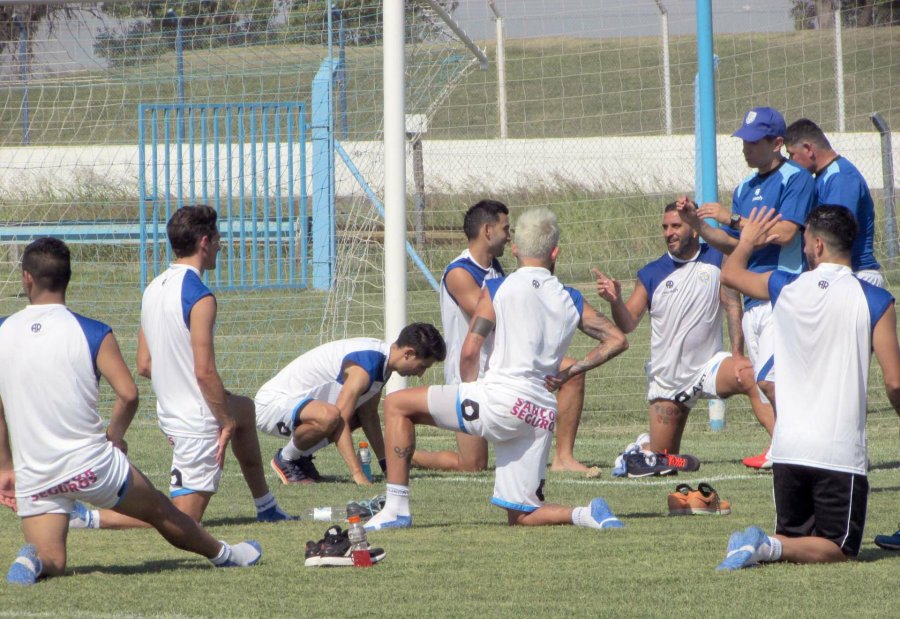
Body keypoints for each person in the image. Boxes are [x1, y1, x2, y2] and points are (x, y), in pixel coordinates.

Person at [0, 238, 261, 586]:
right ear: (68, 278)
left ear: (27, 278)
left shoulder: (3, 330)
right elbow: (128, 394)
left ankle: (33, 558)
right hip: (91, 465)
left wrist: (5, 466)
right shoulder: (92, 331)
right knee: (160, 509)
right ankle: (227, 555)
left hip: (36, 472)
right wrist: (115, 437)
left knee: (54, 560)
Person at [364, 207, 629, 531]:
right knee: (522, 514)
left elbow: (470, 351)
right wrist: (569, 373)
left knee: (396, 404)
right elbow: (616, 340)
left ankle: (396, 509)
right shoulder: (570, 298)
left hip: (499, 402)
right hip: (539, 415)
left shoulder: (497, 288)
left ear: (516, 249)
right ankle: (586, 514)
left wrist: (472, 389)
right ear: (555, 252)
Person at [78, 205, 292, 531]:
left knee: (245, 411)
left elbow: (145, 364)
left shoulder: (152, 289)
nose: (221, 245)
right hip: (197, 421)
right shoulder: (201, 297)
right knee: (183, 520)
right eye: (218, 238)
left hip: (172, 411)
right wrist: (223, 422)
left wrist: (216, 406)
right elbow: (204, 372)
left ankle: (266, 506)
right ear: (204, 242)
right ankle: (86, 518)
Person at [716, 205, 900, 570]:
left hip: (787, 450)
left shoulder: (784, 286)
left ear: (817, 245)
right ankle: (767, 547)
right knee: (840, 549)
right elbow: (894, 382)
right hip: (838, 453)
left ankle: (767, 546)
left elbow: (731, 273)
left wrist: (747, 240)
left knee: (798, 541)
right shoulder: (875, 299)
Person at [412, 200, 595, 475]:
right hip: (471, 375)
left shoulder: (496, 269)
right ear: (488, 230)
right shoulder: (459, 272)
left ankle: (563, 457)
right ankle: (407, 455)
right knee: (472, 465)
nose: (509, 236)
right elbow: (493, 315)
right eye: (506, 228)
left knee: (573, 372)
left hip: (507, 369)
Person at [677, 106, 815, 468]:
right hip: (753, 301)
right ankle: (784, 449)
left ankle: (795, 452)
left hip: (780, 291)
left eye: (754, 141)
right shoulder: (744, 187)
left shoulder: (795, 178)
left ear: (777, 143)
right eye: (744, 140)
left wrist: (733, 218)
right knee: (765, 385)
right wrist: (700, 225)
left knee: (772, 382)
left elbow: (785, 233)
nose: (746, 147)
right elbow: (734, 245)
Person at [594, 202, 773, 459]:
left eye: (676, 226)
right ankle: (643, 446)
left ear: (695, 230)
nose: (669, 233)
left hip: (709, 367)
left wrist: (737, 353)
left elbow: (732, 305)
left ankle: (780, 449)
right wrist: (615, 301)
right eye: (665, 227)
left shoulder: (716, 257)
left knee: (749, 375)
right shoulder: (651, 273)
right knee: (663, 457)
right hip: (669, 379)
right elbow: (628, 323)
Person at [260, 323, 446, 485]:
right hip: (271, 406)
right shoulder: (365, 367)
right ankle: (286, 459)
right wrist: (358, 475)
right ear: (408, 353)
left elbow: (368, 416)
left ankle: (300, 457)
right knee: (333, 416)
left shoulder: (383, 363)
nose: (421, 374)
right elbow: (339, 419)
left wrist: (385, 464)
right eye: (422, 366)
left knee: (354, 416)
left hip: (295, 407)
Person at [784, 118, 884, 287]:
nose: (790, 161)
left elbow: (836, 235)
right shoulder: (824, 177)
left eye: (792, 154)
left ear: (808, 149)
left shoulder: (840, 178)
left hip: (855, 275)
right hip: (840, 275)